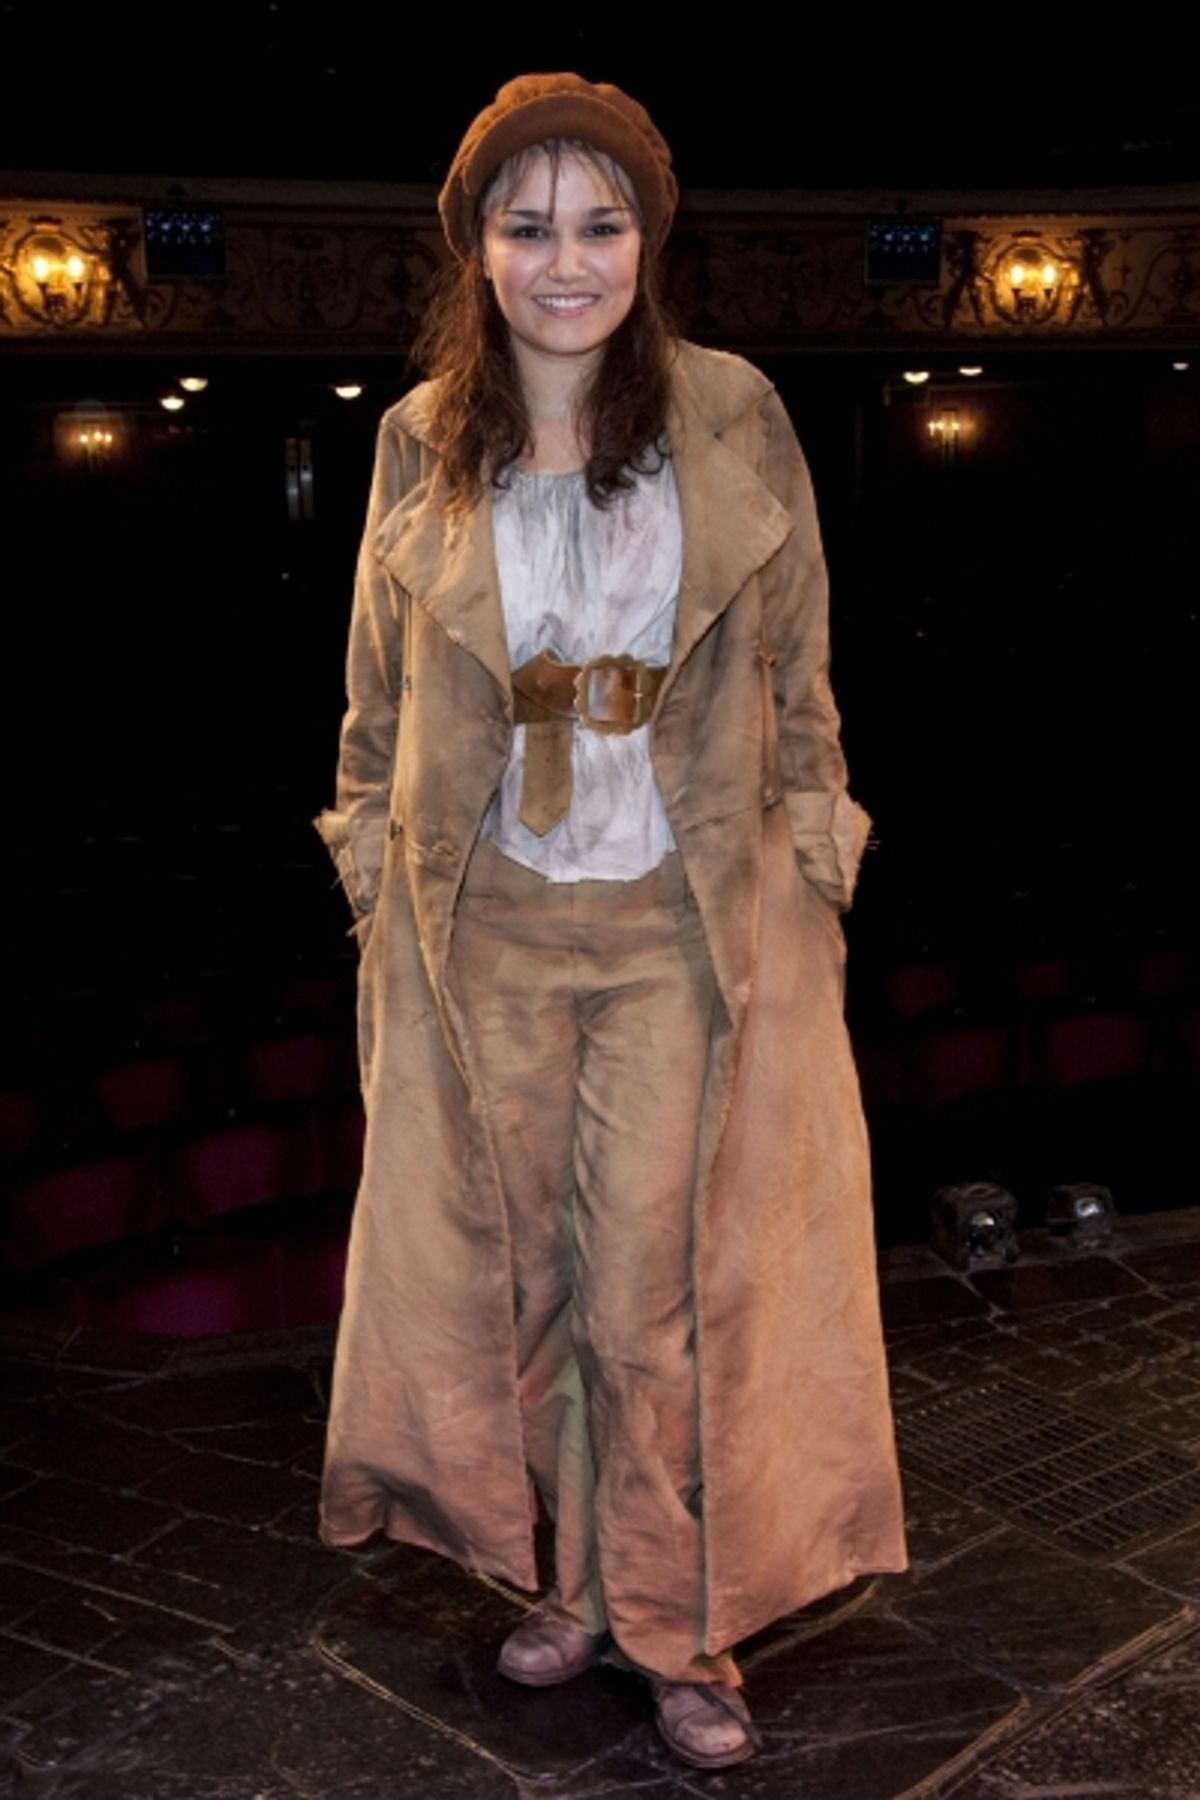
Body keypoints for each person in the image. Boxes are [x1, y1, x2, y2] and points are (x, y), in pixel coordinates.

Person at [315, 72, 906, 1770]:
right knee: (515, 1286)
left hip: (675, 919)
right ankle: (567, 1584)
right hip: (480, 920)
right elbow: (372, 691)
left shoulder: (732, 411)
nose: (566, 259)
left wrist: (818, 857)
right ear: (478, 250)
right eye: (527, 226)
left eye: (601, 222)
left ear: (647, 239)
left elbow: (801, 670)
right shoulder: (421, 434)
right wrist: (369, 851)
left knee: (655, 1296)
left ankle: (674, 1618)